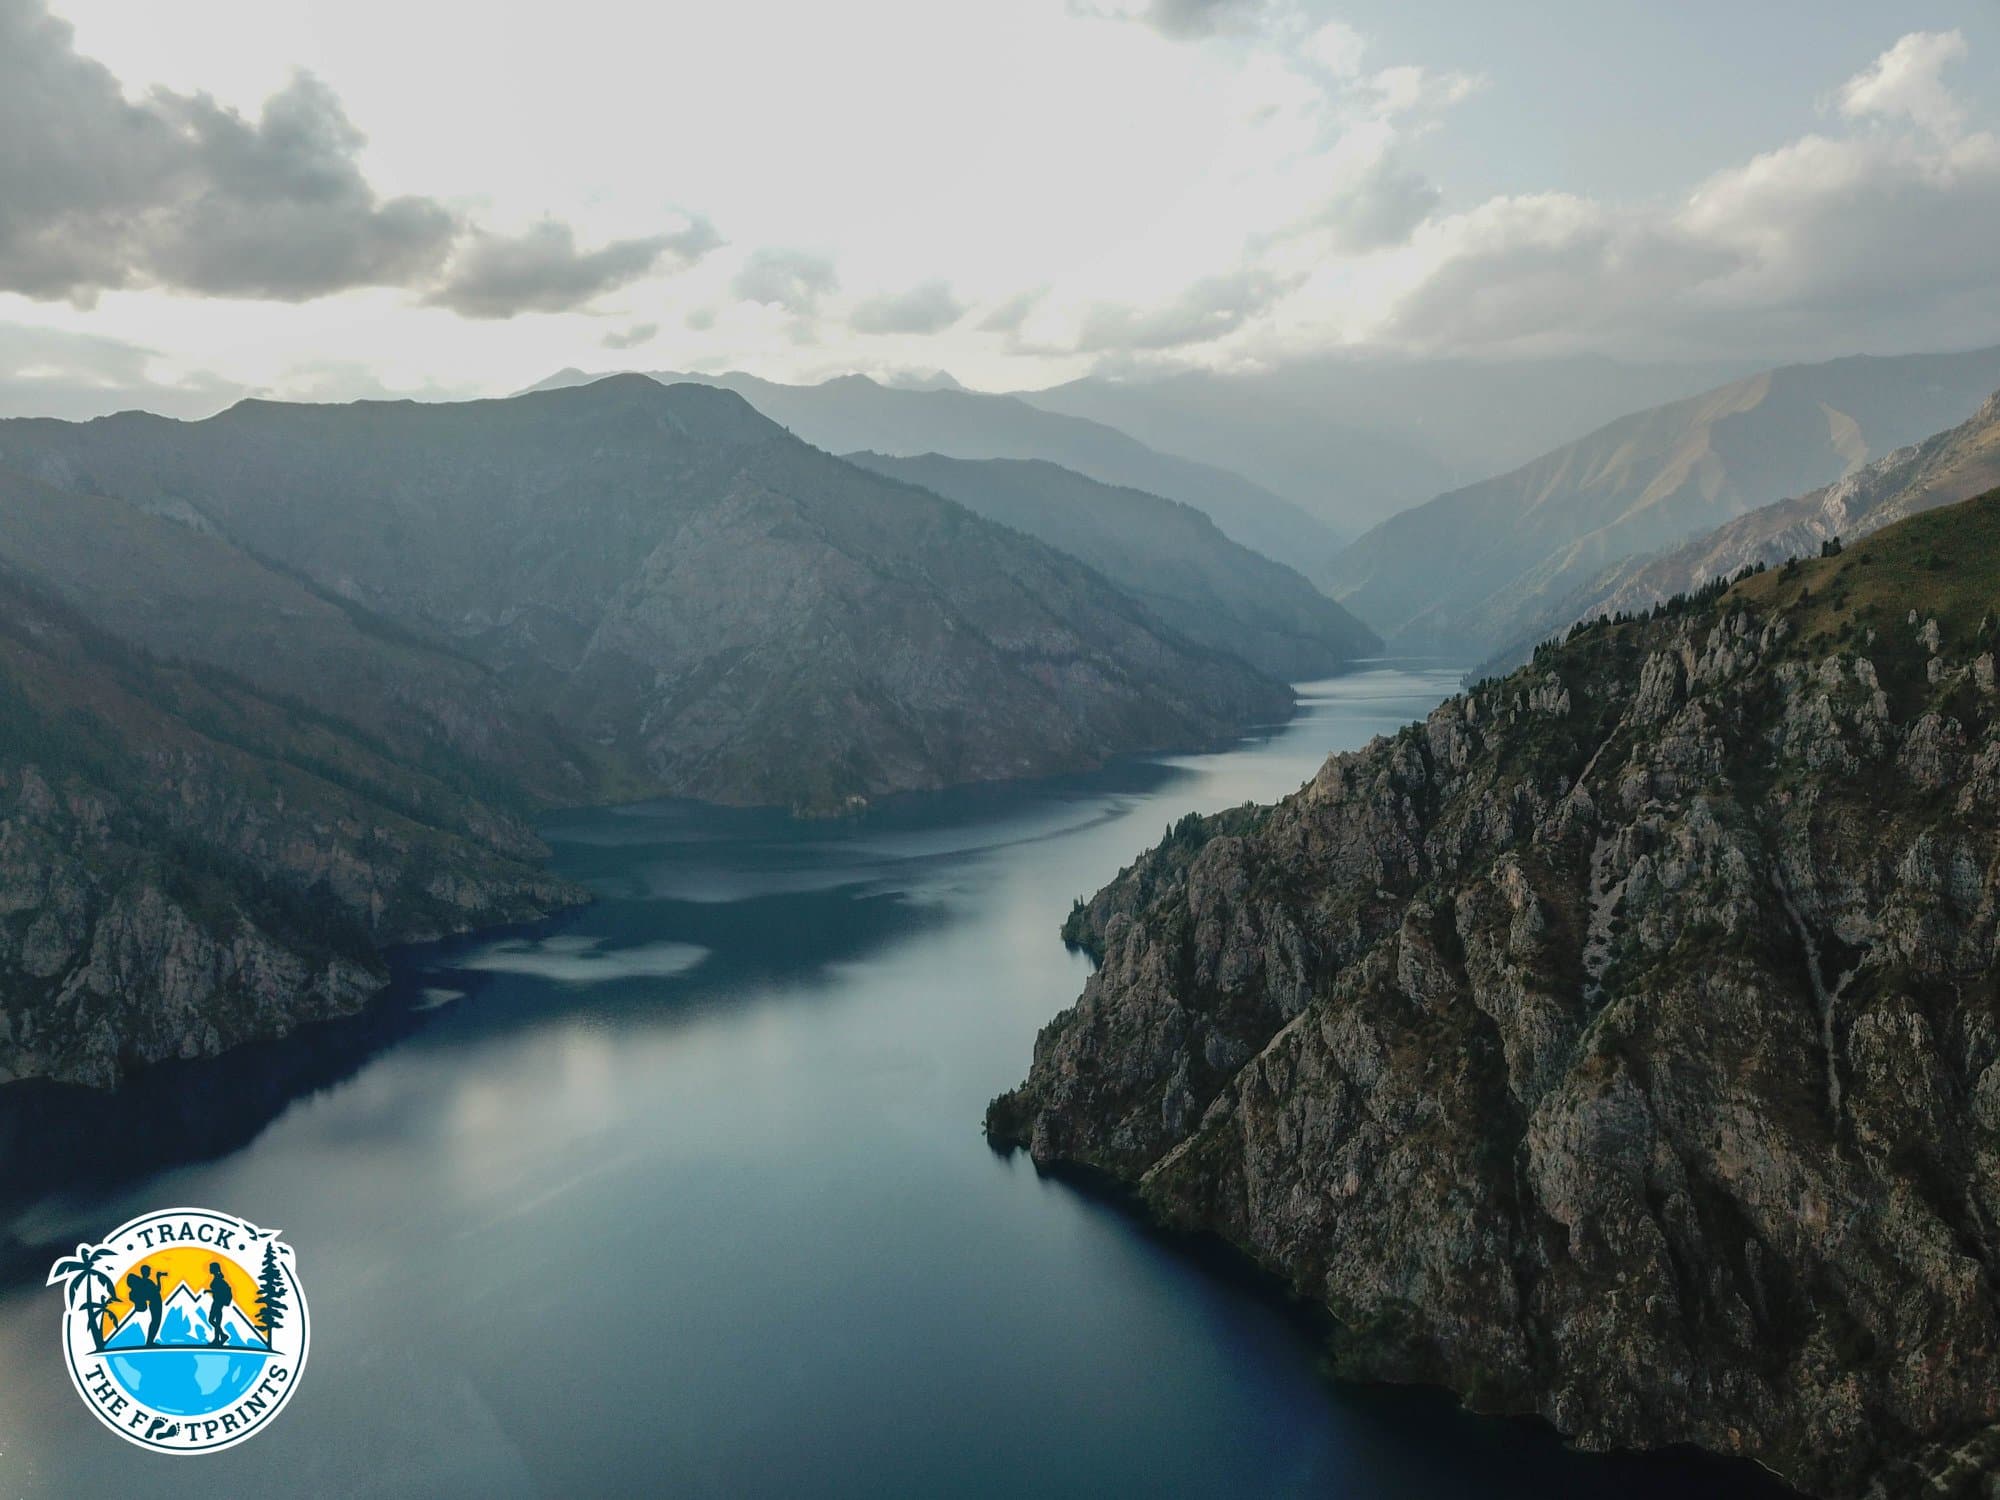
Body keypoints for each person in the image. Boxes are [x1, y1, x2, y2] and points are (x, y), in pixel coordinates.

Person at [125, 1265, 163, 1345]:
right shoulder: (147, 1282)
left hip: (154, 1302)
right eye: (149, 1271)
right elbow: (157, 1290)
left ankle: (149, 1341)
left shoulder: (142, 1283)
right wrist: (158, 1278)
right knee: (155, 1322)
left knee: (154, 1322)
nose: (149, 1273)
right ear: (145, 1272)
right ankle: (149, 1342)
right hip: (156, 1302)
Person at [206, 1263, 233, 1346]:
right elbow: (218, 1290)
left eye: (210, 1268)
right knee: (216, 1322)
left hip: (217, 1302)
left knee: (211, 1320)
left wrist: (210, 1291)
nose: (209, 1269)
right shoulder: (218, 1278)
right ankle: (218, 1338)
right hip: (218, 1302)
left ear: (214, 1269)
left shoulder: (218, 1279)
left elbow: (219, 1291)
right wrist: (209, 1291)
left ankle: (221, 1337)